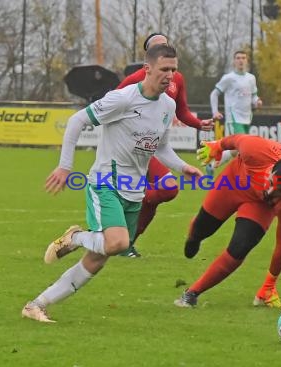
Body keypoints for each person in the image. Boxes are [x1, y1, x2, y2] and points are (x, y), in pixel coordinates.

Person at [21, 44, 202, 323]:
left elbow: (160, 147)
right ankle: (75, 237)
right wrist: (65, 166)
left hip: (134, 190)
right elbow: (76, 120)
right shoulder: (123, 98)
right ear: (148, 69)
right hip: (106, 181)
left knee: (97, 259)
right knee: (117, 243)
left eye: (174, 70)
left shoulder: (167, 105)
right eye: (164, 69)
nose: (170, 76)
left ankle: (36, 305)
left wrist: (182, 167)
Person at [174, 134, 281, 308]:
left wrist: (269, 285)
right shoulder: (256, 150)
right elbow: (236, 140)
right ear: (271, 169)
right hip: (234, 181)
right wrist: (218, 146)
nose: (271, 191)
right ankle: (195, 235)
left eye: (279, 190)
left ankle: (192, 293)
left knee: (240, 247)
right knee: (201, 230)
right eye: (271, 182)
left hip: (259, 206)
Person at [117, 33, 213, 258]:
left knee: (161, 192)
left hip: (151, 148)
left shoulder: (175, 81)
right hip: (129, 150)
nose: (168, 71)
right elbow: (108, 104)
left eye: (167, 47)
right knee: (166, 188)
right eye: (158, 49)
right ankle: (119, 230)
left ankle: (126, 240)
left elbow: (181, 112)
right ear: (148, 60)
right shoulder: (134, 81)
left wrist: (199, 124)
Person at [208, 50, 262, 175]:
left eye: (243, 58)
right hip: (234, 119)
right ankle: (246, 176)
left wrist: (257, 102)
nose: (241, 60)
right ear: (234, 61)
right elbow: (214, 94)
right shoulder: (229, 78)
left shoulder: (251, 78)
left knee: (235, 150)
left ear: (247, 61)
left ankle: (211, 165)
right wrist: (215, 111)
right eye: (238, 58)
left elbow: (254, 97)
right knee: (243, 148)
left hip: (247, 118)